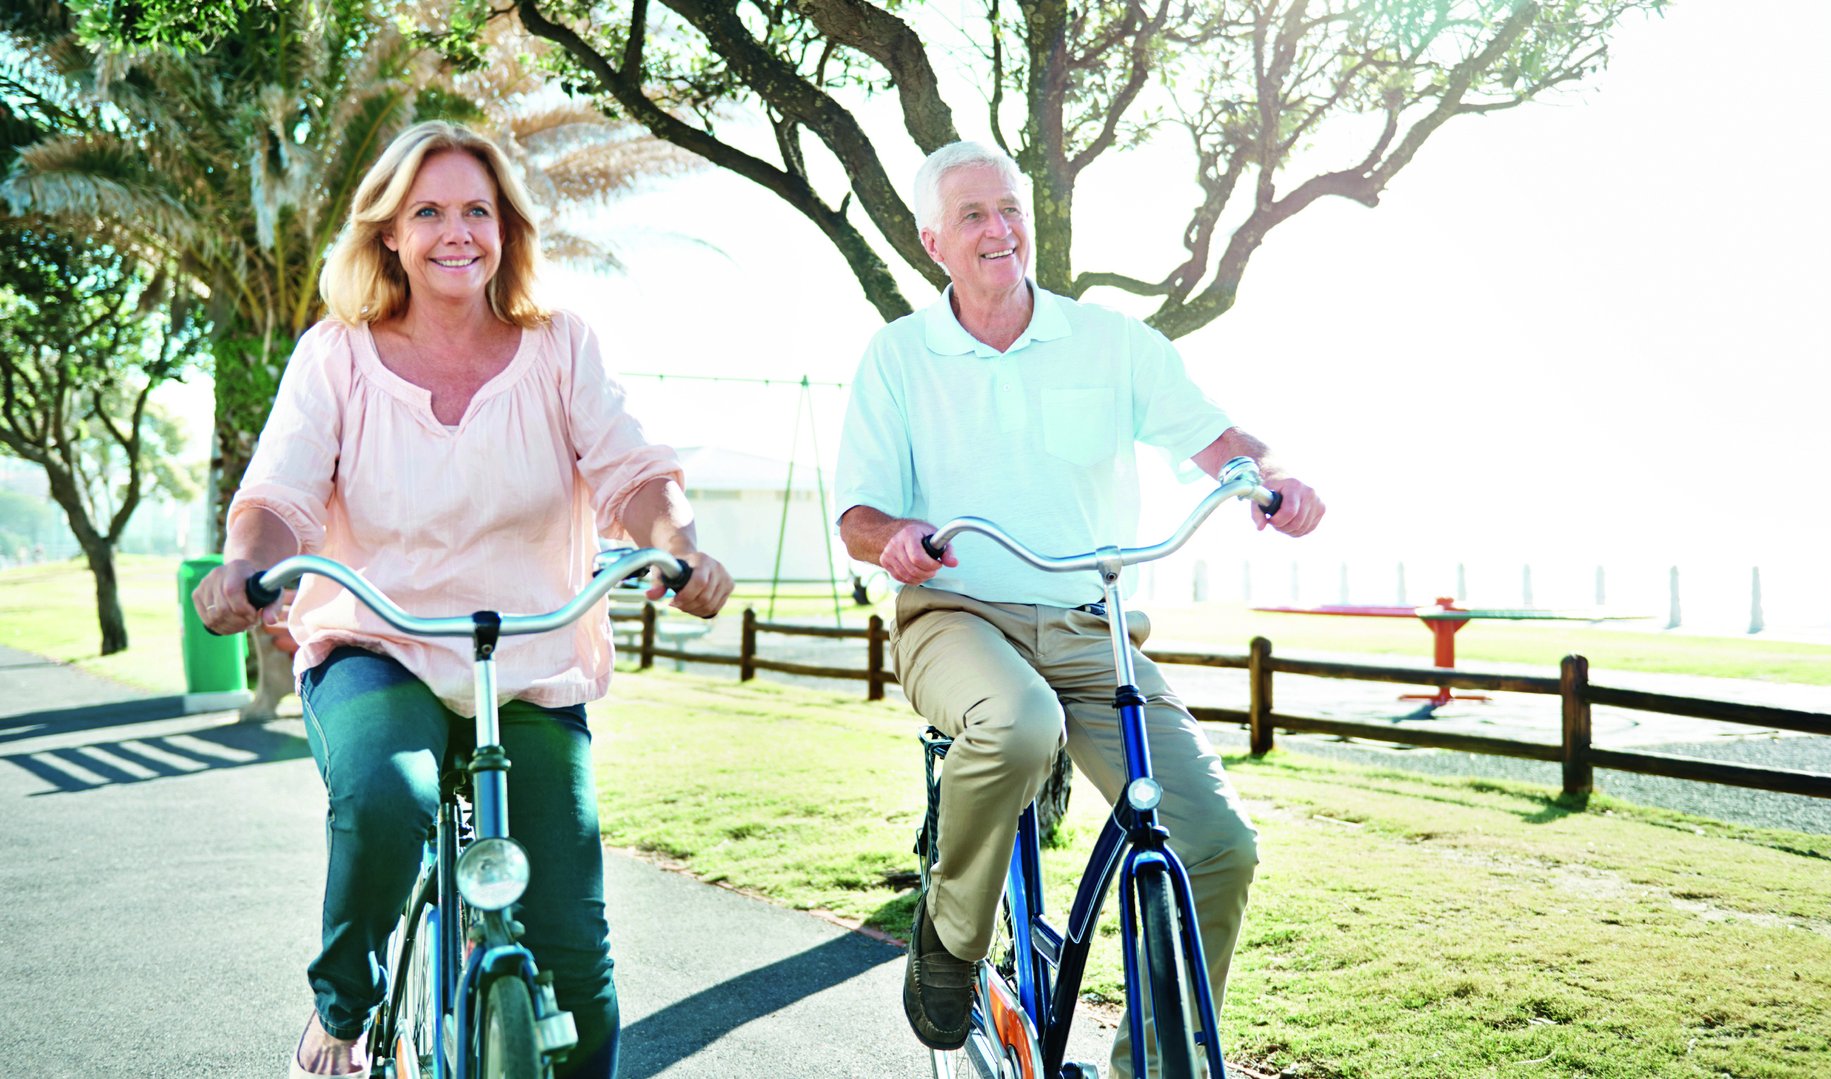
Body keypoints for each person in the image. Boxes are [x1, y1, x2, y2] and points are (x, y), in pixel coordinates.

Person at [193, 120, 733, 1079]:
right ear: (389, 234)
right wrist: (246, 568)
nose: (457, 232)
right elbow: (278, 495)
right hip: (377, 645)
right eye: (429, 211)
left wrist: (678, 547)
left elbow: (633, 473)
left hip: (525, 663)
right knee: (388, 794)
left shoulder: (561, 348)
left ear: (507, 229)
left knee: (572, 944)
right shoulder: (338, 357)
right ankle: (343, 1012)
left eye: (477, 210)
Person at [835, 140, 1326, 1076]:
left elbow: (1217, 442)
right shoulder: (898, 357)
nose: (1000, 229)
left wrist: (1267, 480)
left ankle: (1151, 1062)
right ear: (933, 239)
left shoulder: (1112, 343)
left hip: (1093, 628)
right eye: (974, 215)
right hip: (957, 618)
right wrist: (896, 536)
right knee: (1021, 725)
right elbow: (858, 516)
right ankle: (950, 931)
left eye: (1009, 208)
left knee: (1218, 844)